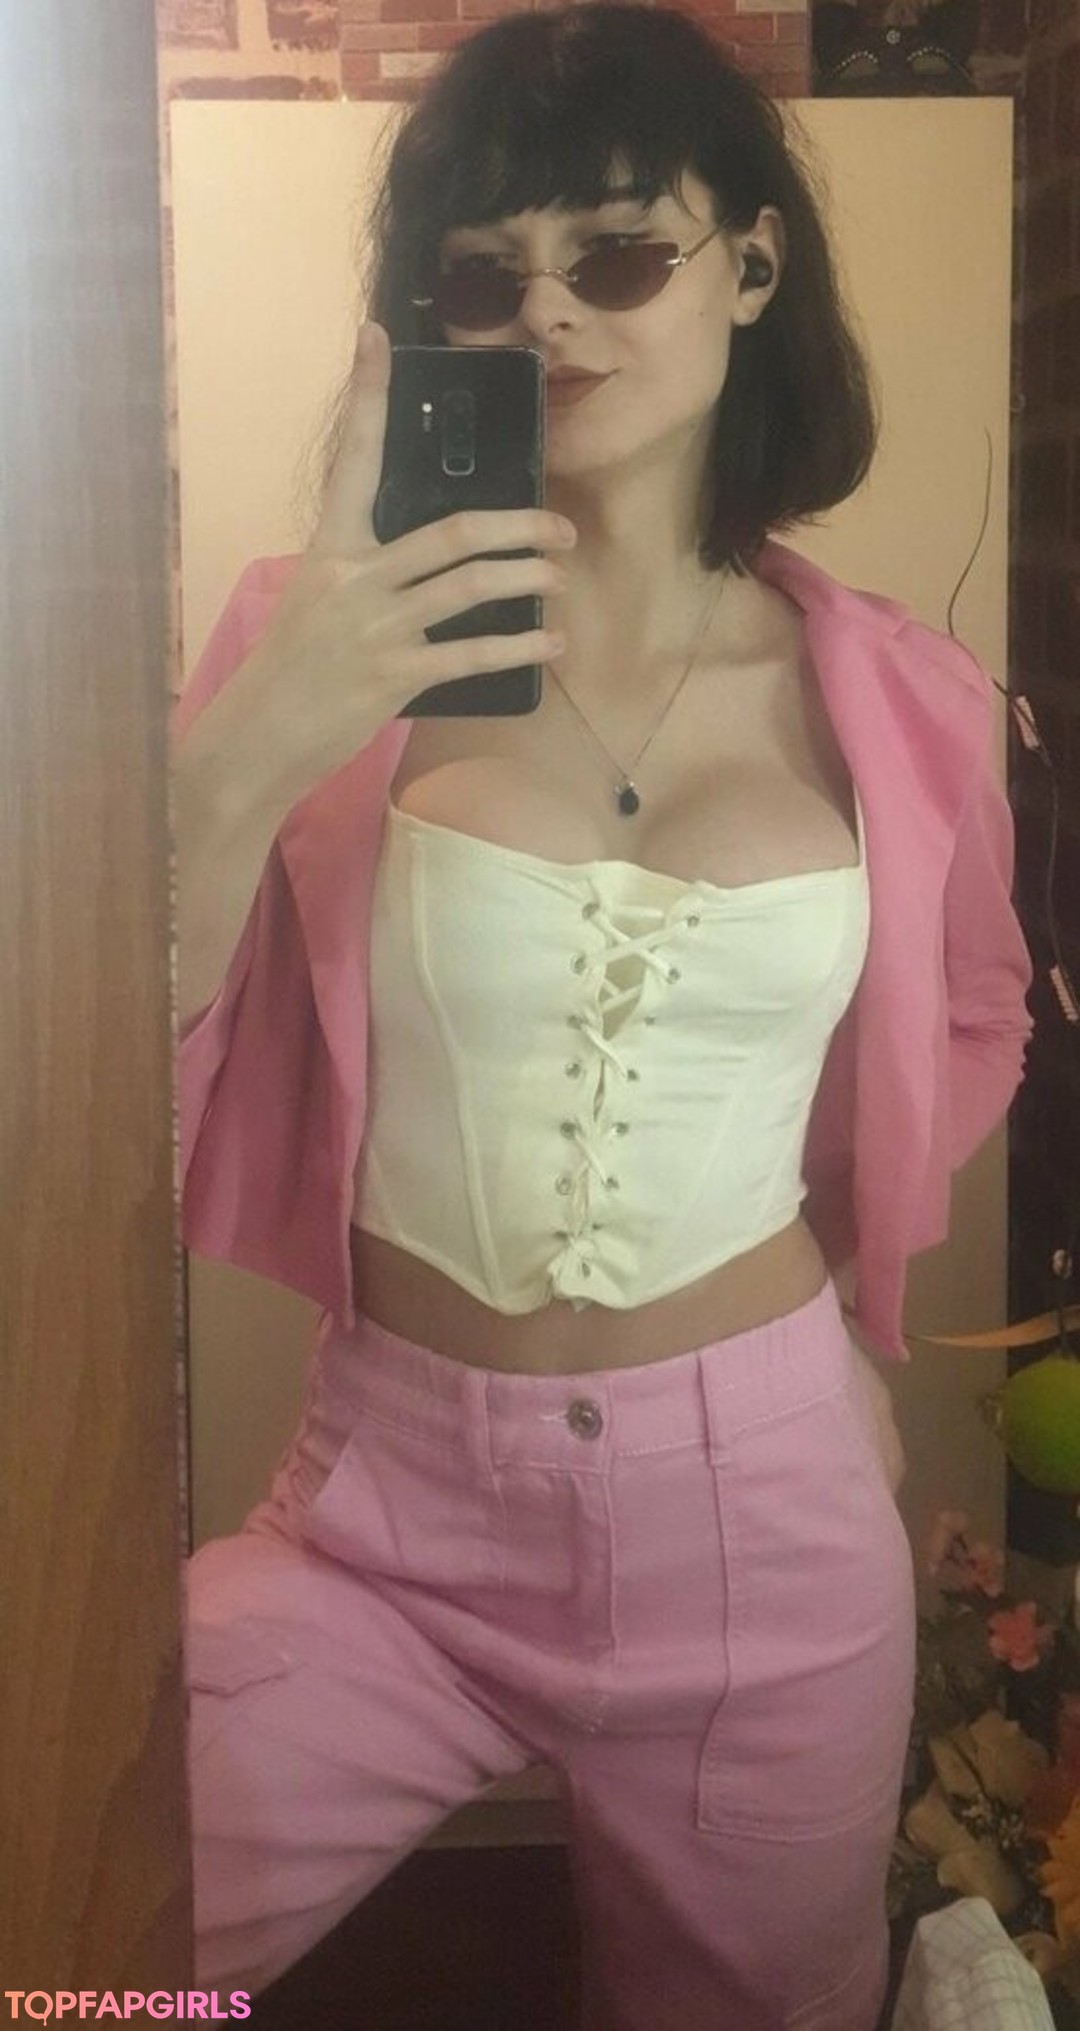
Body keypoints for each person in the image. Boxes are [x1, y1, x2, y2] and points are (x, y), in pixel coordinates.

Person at [174, 7, 1033, 2026]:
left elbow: (968, 1009)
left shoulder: (903, 702)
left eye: (617, 251)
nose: (547, 308)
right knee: (70, 1947)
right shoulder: (315, 648)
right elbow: (96, 1069)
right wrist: (257, 738)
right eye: (485, 273)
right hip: (383, 1512)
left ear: (752, 265)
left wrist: (817, 1283)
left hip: (766, 1523)